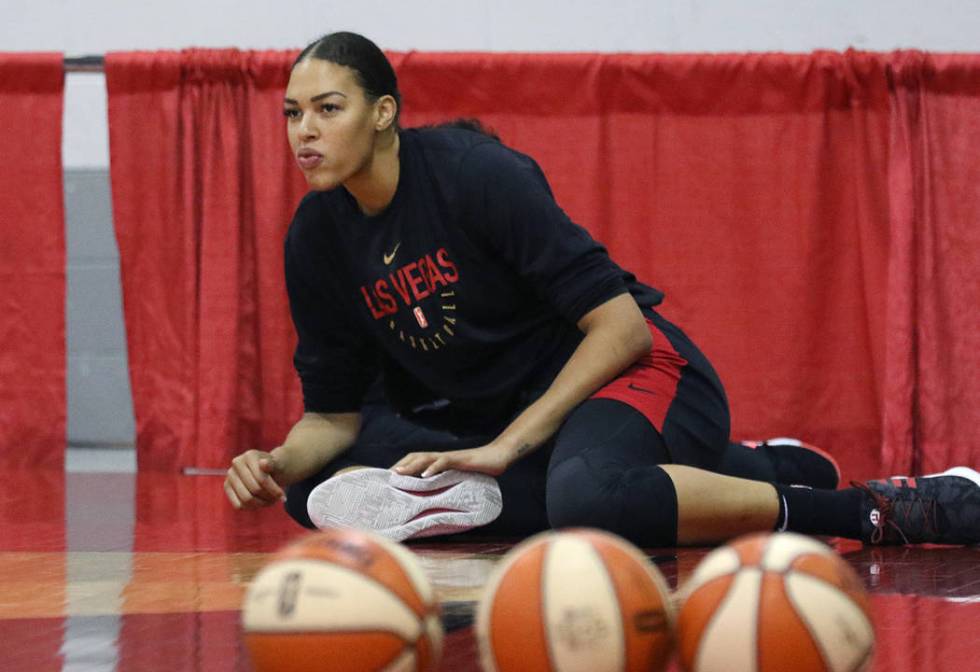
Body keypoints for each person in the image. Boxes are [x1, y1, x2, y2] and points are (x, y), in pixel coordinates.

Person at [224, 31, 979, 548]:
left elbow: (622, 331)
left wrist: (505, 448)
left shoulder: (476, 177)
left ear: (384, 113)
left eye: (328, 109)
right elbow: (332, 414)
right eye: (293, 113)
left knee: (587, 498)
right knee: (316, 491)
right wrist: (278, 463)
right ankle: (738, 469)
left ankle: (878, 507)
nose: (303, 132)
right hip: (504, 415)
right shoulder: (315, 236)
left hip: (631, 374)